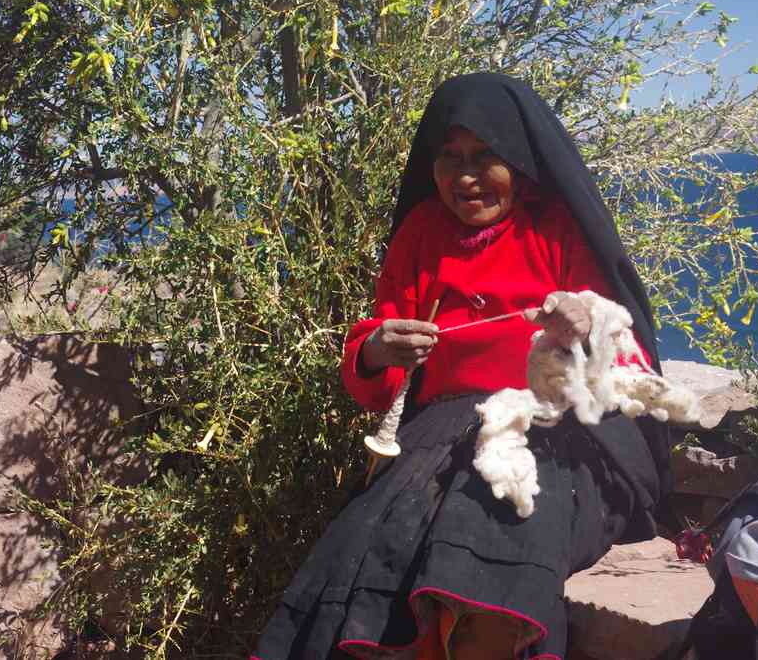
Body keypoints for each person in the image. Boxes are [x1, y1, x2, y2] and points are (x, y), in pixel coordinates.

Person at [253, 73, 670, 660]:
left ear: (520, 163)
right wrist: (378, 349)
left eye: (484, 157)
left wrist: (589, 327)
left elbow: (627, 360)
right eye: (449, 158)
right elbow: (380, 386)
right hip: (438, 433)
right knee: (371, 545)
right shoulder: (420, 235)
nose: (466, 176)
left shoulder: (558, 229)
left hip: (567, 433)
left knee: (491, 539)